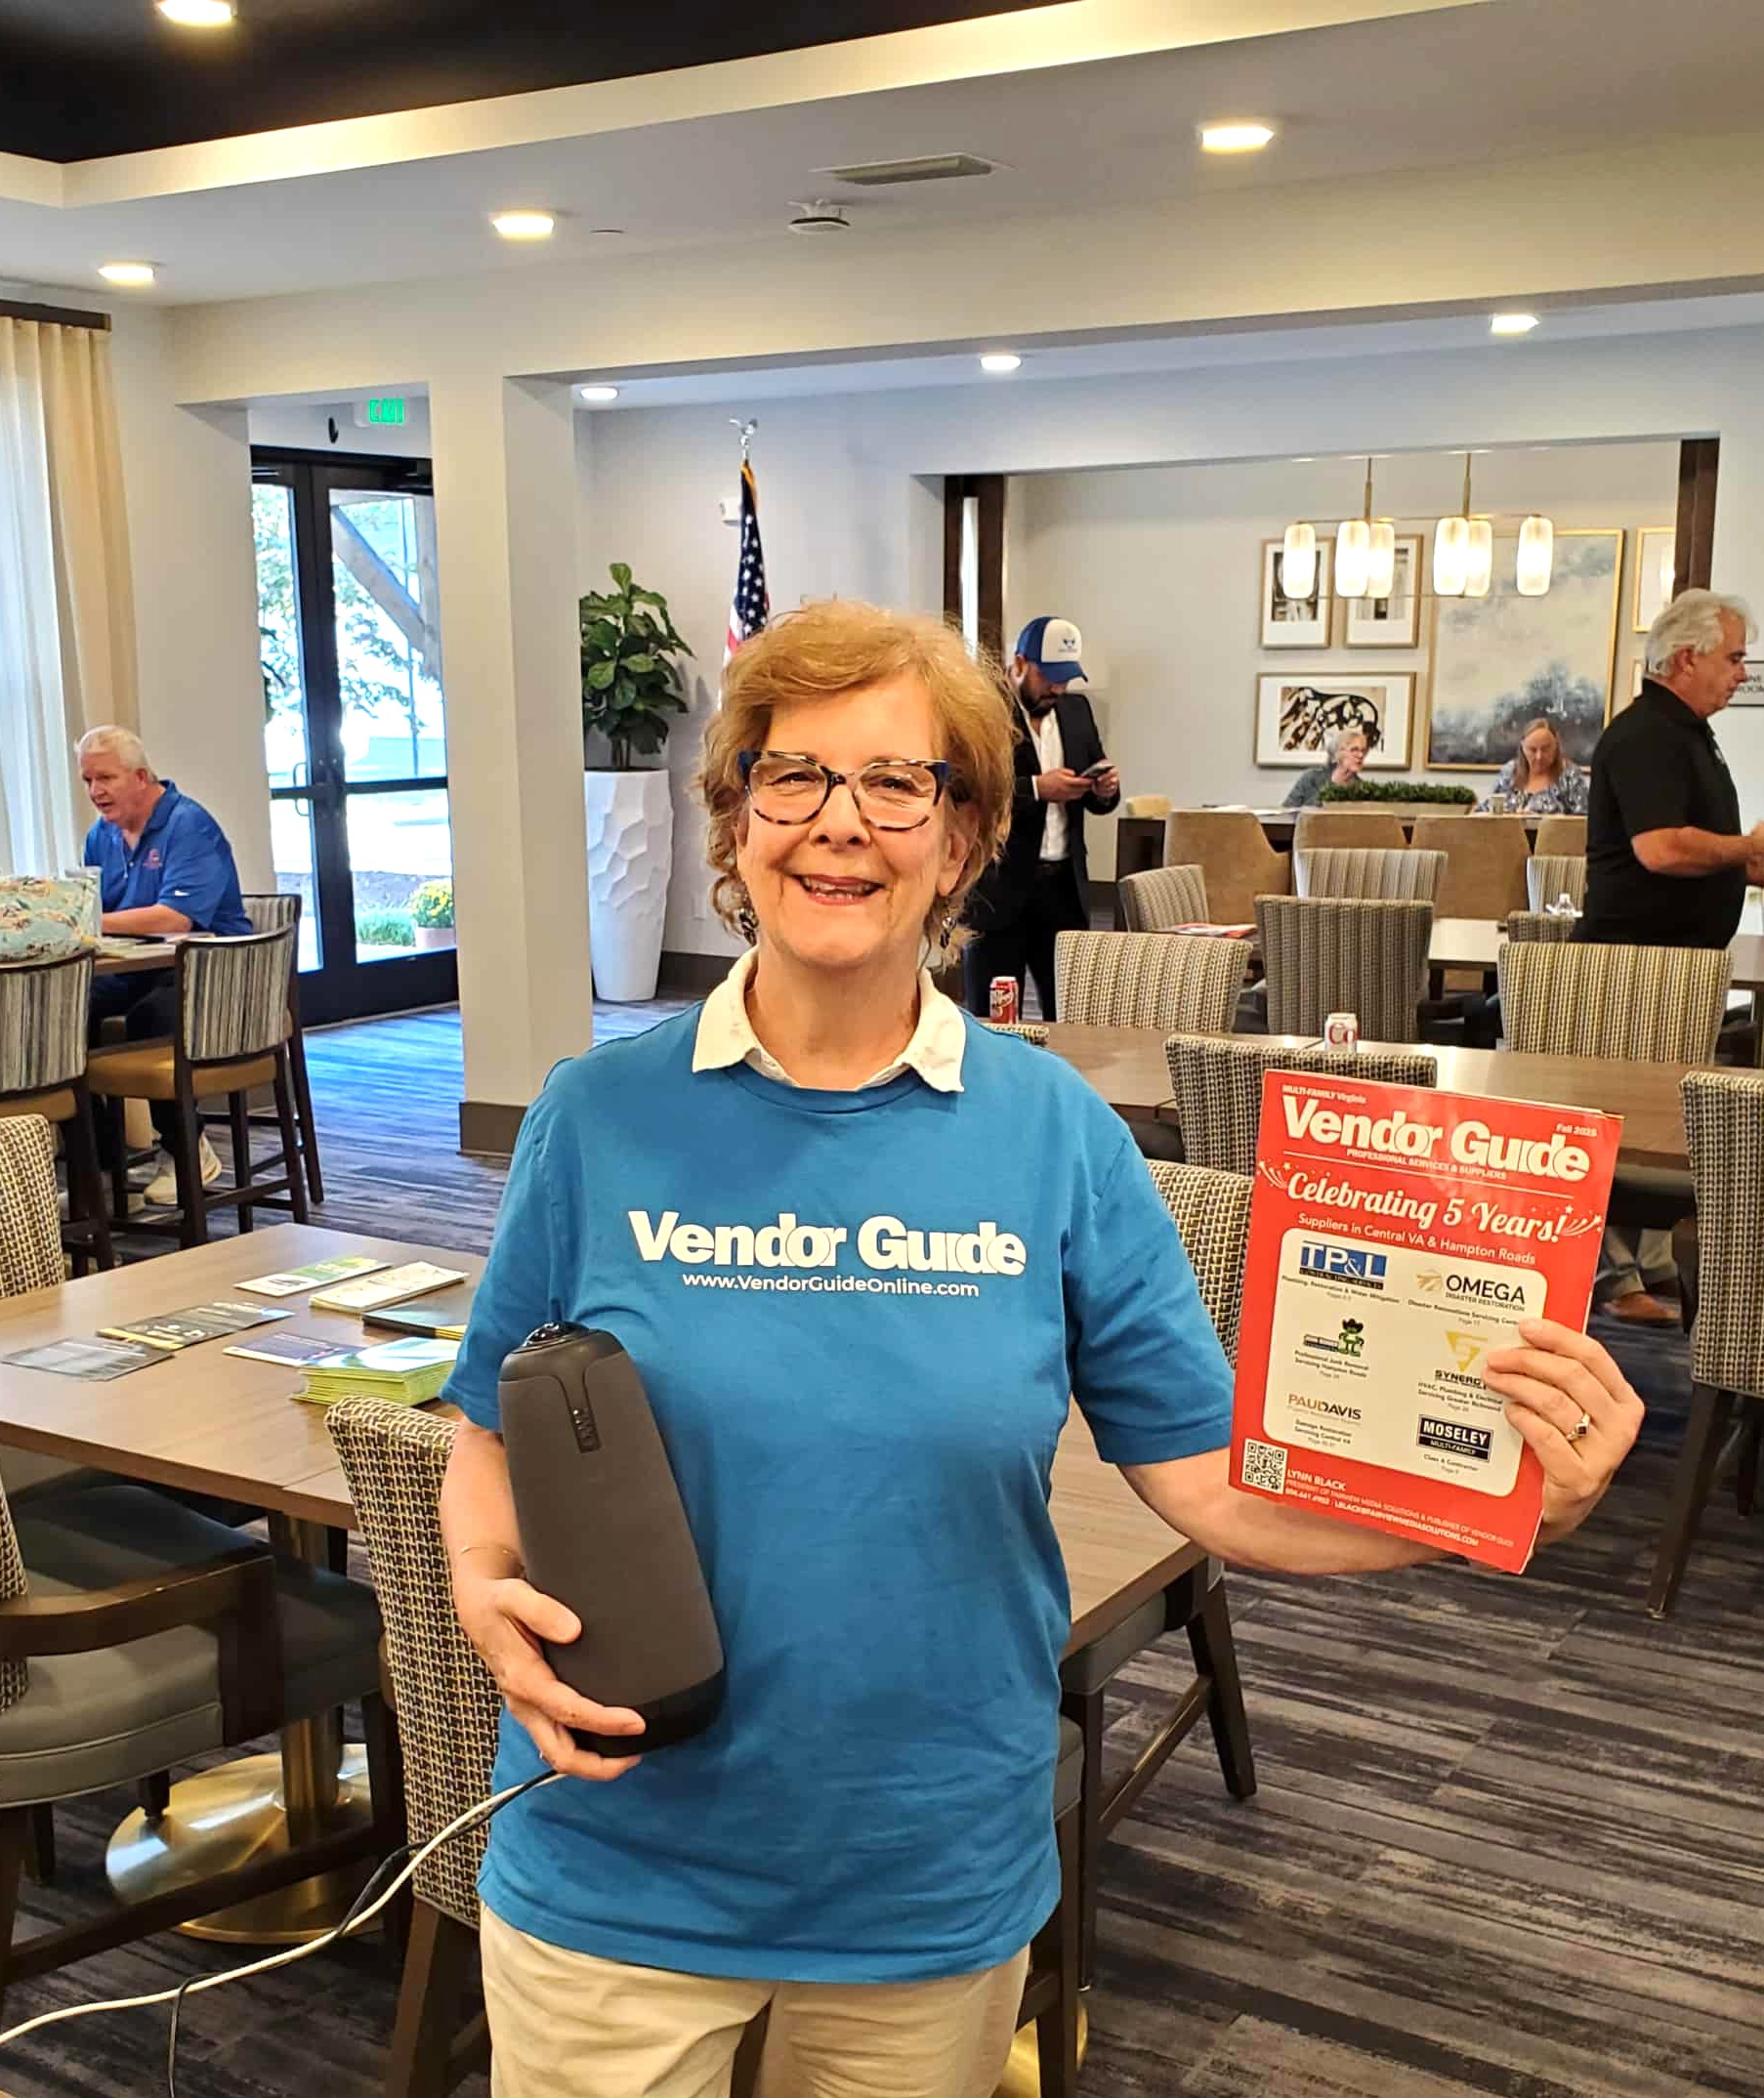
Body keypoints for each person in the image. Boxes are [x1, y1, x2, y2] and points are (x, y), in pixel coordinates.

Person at [438, 600, 1642, 2098]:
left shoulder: (1054, 1136)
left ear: (960, 841)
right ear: (735, 817)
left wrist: (1493, 1502)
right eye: (792, 774)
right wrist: (480, 1587)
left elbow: (1210, 1483)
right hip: (613, 1857)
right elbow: (492, 1430)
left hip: (923, 1870)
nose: (837, 823)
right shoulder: (596, 1115)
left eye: (897, 784)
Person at [1578, 590, 1764, 1324]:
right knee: (1613, 1124)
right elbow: (1659, 848)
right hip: (1631, 964)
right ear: (1686, 658)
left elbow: (1702, 846)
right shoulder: (1647, 736)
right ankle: (1610, 1279)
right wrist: (1744, 848)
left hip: (1672, 964)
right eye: (1733, 658)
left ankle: (1648, 1266)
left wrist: (1744, 860)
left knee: (1659, 1122)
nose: (1741, 673)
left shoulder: (1686, 733)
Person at [77, 725, 252, 1205]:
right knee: (64, 1013)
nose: (95, 791)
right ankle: (99, 1169)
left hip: (213, 971)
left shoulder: (189, 824)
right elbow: (88, 907)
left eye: (105, 778)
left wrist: (88, 922)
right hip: (137, 966)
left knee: (151, 1017)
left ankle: (185, 1150)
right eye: (88, 780)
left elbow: (176, 918)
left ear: (140, 777)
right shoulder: (100, 836)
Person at [959, 614, 1118, 1021]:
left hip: (1064, 890)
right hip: (998, 891)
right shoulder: (982, 712)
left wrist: (1104, 790)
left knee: (1070, 1017)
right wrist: (1035, 789)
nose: (1057, 689)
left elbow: (1097, 797)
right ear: (1019, 664)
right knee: (993, 1018)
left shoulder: (1077, 711)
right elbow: (965, 789)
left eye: (1066, 679)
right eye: (1049, 678)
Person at [1474, 717, 1588, 815]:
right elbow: (1484, 810)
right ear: (1523, 747)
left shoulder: (1570, 775)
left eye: (1546, 749)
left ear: (1556, 745)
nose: (1539, 756)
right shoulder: (1509, 772)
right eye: (1532, 750)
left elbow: (1584, 819)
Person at [1282, 727, 1368, 807]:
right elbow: (1286, 811)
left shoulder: (1363, 789)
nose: (1361, 755)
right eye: (1354, 750)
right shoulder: (1311, 778)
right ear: (1337, 752)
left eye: (1363, 750)